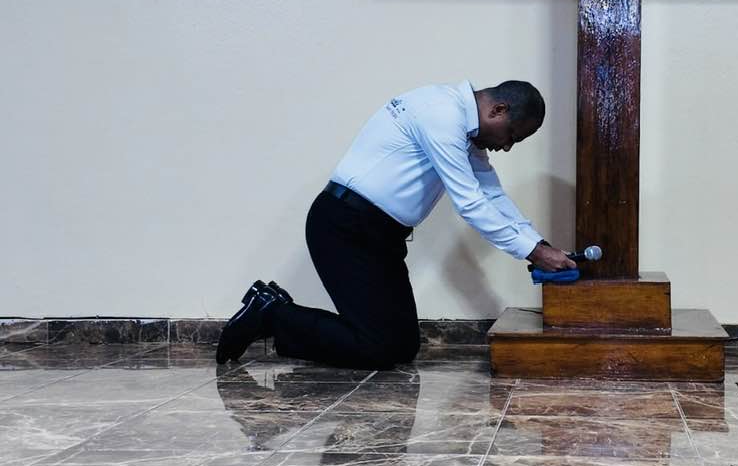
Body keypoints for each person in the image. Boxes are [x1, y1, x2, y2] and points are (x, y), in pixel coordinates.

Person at [216, 80, 576, 366]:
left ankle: (278, 319)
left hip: (378, 235)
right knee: (380, 347)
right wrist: (531, 252)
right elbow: (470, 204)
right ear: (498, 110)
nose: (508, 146)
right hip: (345, 225)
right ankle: (272, 314)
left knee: (400, 347)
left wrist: (539, 246)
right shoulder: (442, 115)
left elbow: (493, 196)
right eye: (512, 135)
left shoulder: (464, 132)